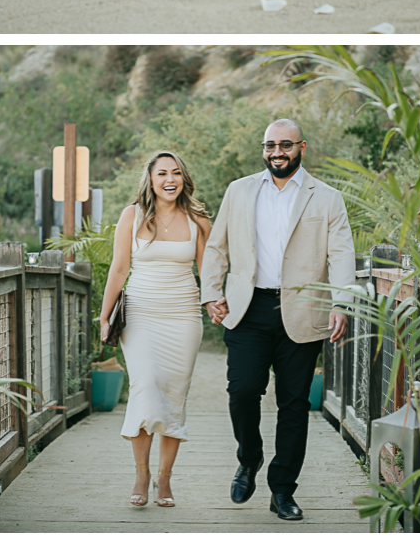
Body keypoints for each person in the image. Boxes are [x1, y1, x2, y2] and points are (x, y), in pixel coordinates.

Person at [200, 117, 355, 522]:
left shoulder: (327, 198)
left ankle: (282, 490)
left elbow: (341, 255)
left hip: (303, 312)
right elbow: (217, 247)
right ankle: (249, 459)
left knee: (294, 405)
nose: (277, 153)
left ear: (302, 148)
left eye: (285, 145)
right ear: (263, 148)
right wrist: (211, 293)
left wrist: (341, 303)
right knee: (243, 392)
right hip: (248, 310)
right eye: (270, 145)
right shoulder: (239, 190)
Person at [100, 150, 212, 508]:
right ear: (150, 179)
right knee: (146, 387)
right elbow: (119, 270)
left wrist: (217, 302)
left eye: (176, 172)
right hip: (141, 314)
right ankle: (141, 473)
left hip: (184, 316)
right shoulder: (131, 216)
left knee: (174, 397)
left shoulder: (197, 217)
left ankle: (164, 479)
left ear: (184, 178)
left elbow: (208, 269)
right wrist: (104, 318)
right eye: (162, 173)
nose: (170, 179)